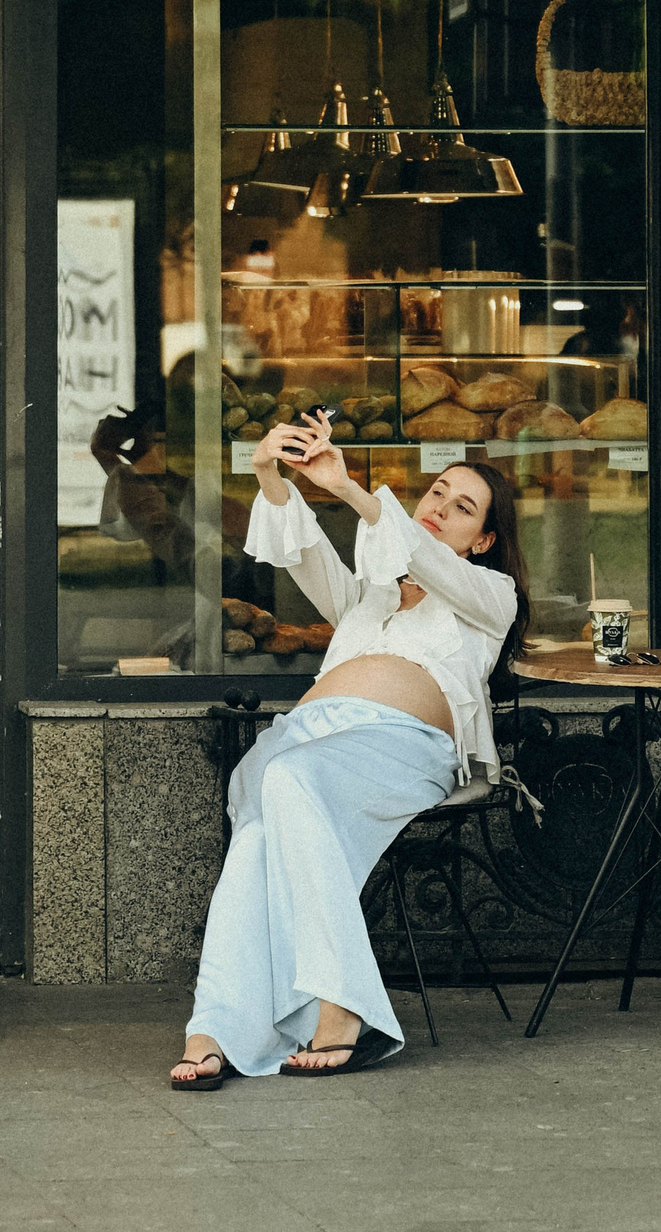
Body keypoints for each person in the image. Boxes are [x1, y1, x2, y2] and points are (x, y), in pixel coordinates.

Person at [171, 412, 529, 1089]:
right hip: (310, 745)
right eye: (436, 493)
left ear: (482, 538)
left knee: (288, 778)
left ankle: (344, 1010)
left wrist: (350, 489)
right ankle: (213, 1027)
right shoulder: (371, 595)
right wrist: (270, 473)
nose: (439, 508)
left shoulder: (490, 597)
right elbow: (304, 552)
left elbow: (423, 556)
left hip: (401, 749)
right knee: (261, 823)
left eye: (462, 507)